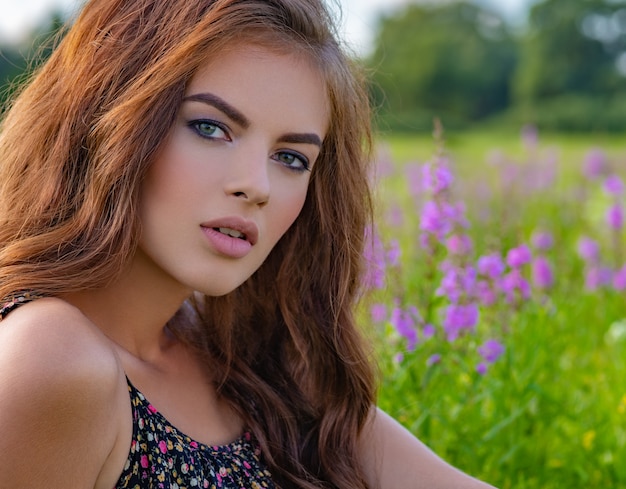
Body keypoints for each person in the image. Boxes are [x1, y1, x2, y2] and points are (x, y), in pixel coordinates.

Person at [0, 0, 496, 488]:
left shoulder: (243, 358)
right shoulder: (51, 360)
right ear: (105, 116)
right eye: (211, 127)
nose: (256, 185)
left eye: (291, 157)